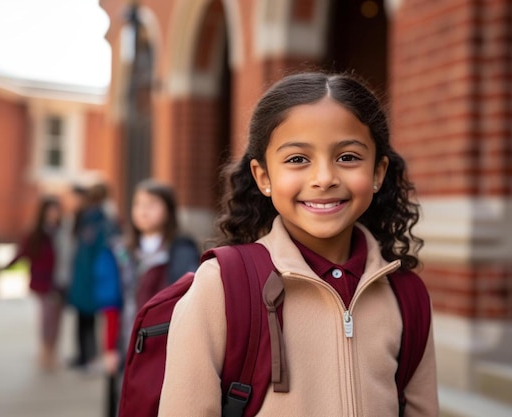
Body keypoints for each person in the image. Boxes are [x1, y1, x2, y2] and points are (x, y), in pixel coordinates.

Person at [158, 73, 438, 416]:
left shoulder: (407, 296)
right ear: (264, 177)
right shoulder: (220, 285)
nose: (324, 178)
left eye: (348, 157)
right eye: (297, 159)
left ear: (378, 172)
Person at [105, 180, 200, 414]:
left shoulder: (182, 251)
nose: (143, 210)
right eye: (138, 204)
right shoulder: (119, 251)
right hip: (129, 341)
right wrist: (109, 347)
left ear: (168, 211)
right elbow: (111, 301)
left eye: (152, 204)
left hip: (169, 344)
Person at [3, 196, 63, 371]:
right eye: (50, 210)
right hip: (42, 282)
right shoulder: (35, 233)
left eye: (56, 209)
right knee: (46, 317)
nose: (53, 214)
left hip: (60, 282)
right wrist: (4, 267)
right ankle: (45, 349)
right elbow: (23, 253)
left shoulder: (63, 231)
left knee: (57, 319)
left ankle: (53, 350)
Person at [68, 183, 119, 370]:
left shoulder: (98, 221)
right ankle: (84, 355)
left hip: (91, 276)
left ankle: (88, 356)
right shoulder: (94, 219)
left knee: (88, 319)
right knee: (85, 318)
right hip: (88, 276)